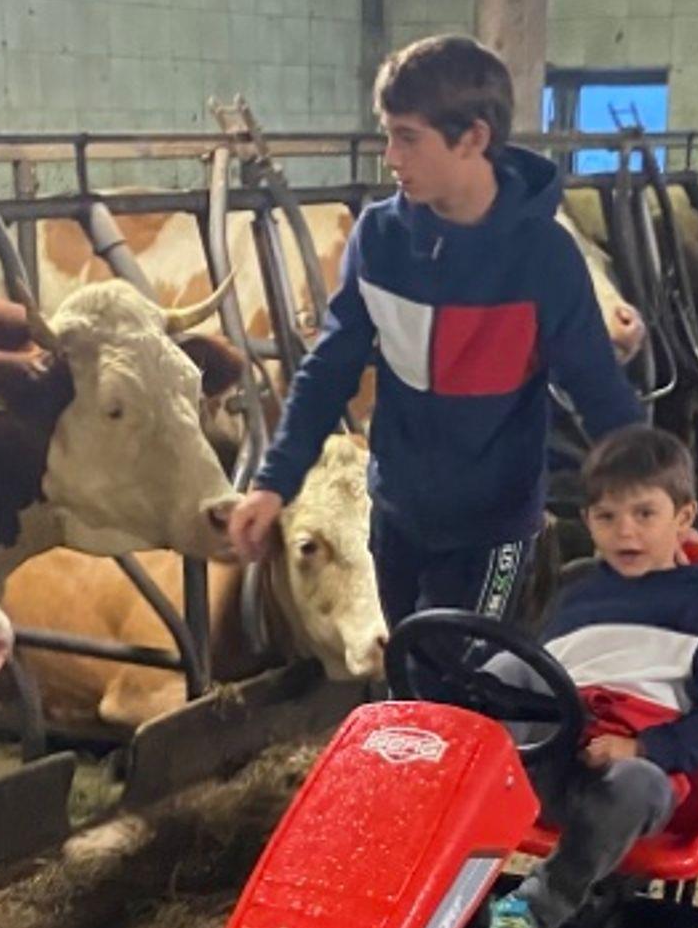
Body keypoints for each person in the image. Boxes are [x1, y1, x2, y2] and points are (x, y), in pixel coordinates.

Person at [226, 33, 645, 626]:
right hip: (397, 516)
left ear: (473, 137)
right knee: (408, 660)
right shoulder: (379, 238)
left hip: (496, 526)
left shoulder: (543, 256)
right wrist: (273, 483)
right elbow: (330, 368)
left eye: (408, 137)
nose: (391, 157)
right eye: (387, 134)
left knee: (467, 664)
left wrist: (651, 497)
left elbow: (598, 388)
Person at [474, 426, 698, 928]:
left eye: (644, 514)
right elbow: (539, 679)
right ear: (588, 522)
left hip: (625, 775)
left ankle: (530, 910)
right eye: (607, 516)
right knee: (504, 669)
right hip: (549, 754)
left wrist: (642, 747)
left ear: (684, 517)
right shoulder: (577, 596)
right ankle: (427, 853)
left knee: (636, 785)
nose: (625, 531)